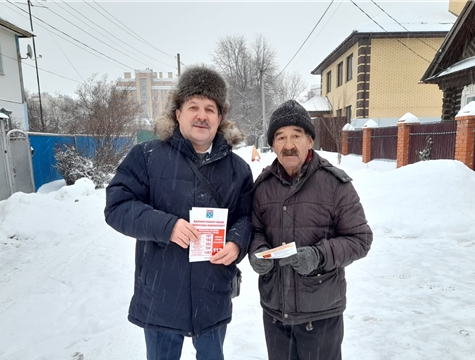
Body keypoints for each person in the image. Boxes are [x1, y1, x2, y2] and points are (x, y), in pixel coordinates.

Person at [104, 65, 253, 360]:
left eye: (210, 108)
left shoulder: (238, 170)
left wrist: (236, 242)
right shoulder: (146, 157)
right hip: (161, 294)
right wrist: (167, 226)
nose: (202, 115)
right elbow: (117, 206)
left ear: (220, 118)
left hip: (213, 292)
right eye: (193, 106)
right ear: (178, 113)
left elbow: (247, 217)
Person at [248, 99, 373, 360]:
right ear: (272, 145)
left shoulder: (335, 184)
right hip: (275, 313)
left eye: (296, 135)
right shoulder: (262, 186)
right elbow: (256, 231)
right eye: (280, 137)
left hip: (321, 315)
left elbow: (360, 239)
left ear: (310, 140)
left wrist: (319, 256)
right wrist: (257, 251)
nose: (289, 145)